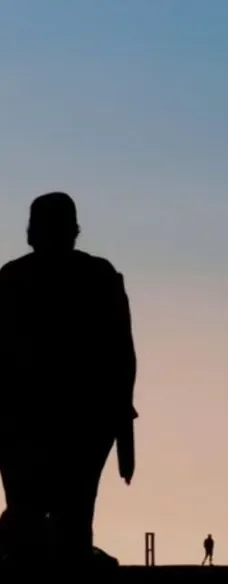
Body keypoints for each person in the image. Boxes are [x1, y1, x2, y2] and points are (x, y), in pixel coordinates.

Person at [0, 192, 136, 560]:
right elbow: (122, 357)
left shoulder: (11, 280)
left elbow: (122, 357)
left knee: (35, 515)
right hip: (80, 422)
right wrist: (124, 429)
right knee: (72, 514)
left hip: (29, 422)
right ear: (74, 231)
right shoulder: (100, 277)